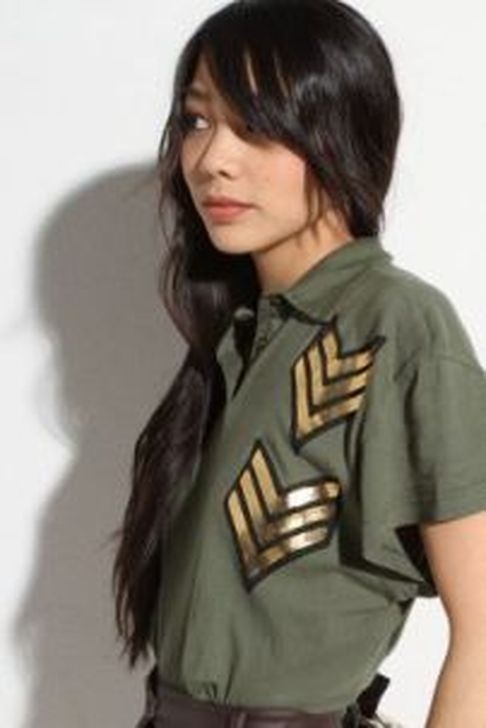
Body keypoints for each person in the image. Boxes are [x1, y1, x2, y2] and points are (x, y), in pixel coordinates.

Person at [110, 1, 486, 726]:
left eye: (255, 125)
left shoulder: (397, 327)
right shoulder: (241, 338)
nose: (212, 159)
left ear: (341, 130)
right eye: (197, 120)